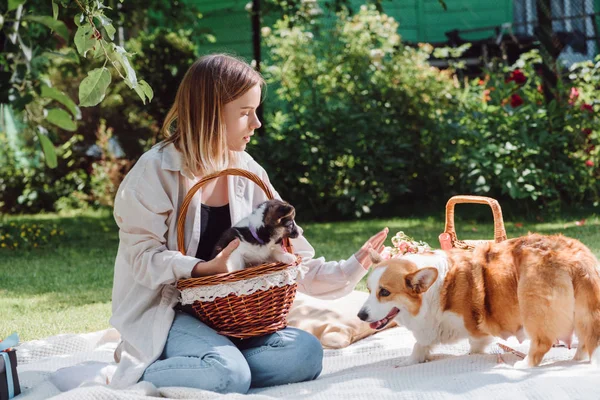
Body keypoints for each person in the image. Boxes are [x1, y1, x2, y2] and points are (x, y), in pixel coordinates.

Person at [109, 54, 388, 393]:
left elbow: (293, 257)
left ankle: (213, 366)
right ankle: (153, 370)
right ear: (210, 113)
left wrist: (354, 265)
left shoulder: (248, 172)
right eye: (245, 113)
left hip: (231, 316)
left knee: (305, 353)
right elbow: (141, 259)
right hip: (171, 313)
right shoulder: (154, 173)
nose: (257, 123)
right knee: (228, 375)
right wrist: (203, 269)